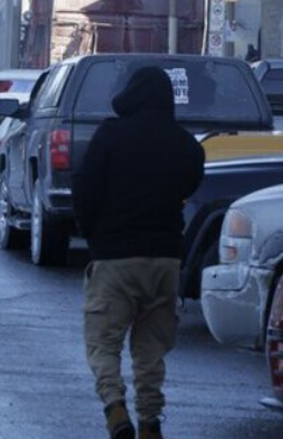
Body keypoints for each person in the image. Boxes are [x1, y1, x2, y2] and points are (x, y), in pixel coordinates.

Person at [72, 66, 204, 439]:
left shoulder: (110, 135)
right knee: (151, 350)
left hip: (115, 258)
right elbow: (191, 181)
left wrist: (94, 236)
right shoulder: (185, 144)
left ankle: (115, 408)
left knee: (104, 341)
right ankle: (150, 422)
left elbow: (85, 189)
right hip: (165, 259)